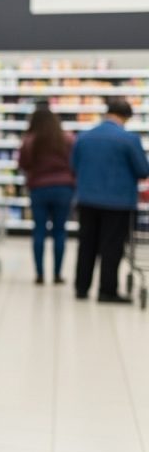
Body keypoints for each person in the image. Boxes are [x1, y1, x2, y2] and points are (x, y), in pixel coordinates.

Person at [72, 99, 149, 303]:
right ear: (125, 117)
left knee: (86, 244)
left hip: (87, 199)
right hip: (118, 201)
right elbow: (143, 170)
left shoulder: (84, 137)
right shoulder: (129, 139)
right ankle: (107, 291)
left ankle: (81, 288)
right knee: (111, 246)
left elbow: (74, 165)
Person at [18, 104, 75, 285]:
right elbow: (74, 162)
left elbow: (23, 164)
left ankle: (40, 274)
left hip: (39, 189)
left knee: (39, 231)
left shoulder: (30, 140)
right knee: (60, 231)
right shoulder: (66, 139)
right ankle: (57, 274)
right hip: (63, 189)